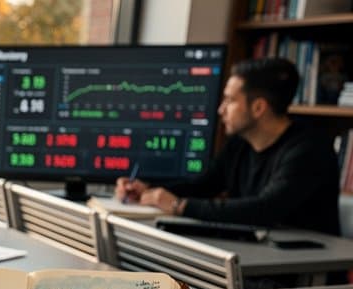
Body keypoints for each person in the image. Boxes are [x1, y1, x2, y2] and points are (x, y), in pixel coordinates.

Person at [115, 57, 340, 236]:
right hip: (255, 257)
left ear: (259, 107)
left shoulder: (309, 149)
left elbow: (265, 209)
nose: (221, 110)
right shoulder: (240, 143)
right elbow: (202, 186)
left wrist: (179, 205)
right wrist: (147, 190)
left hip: (304, 275)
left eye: (230, 101)